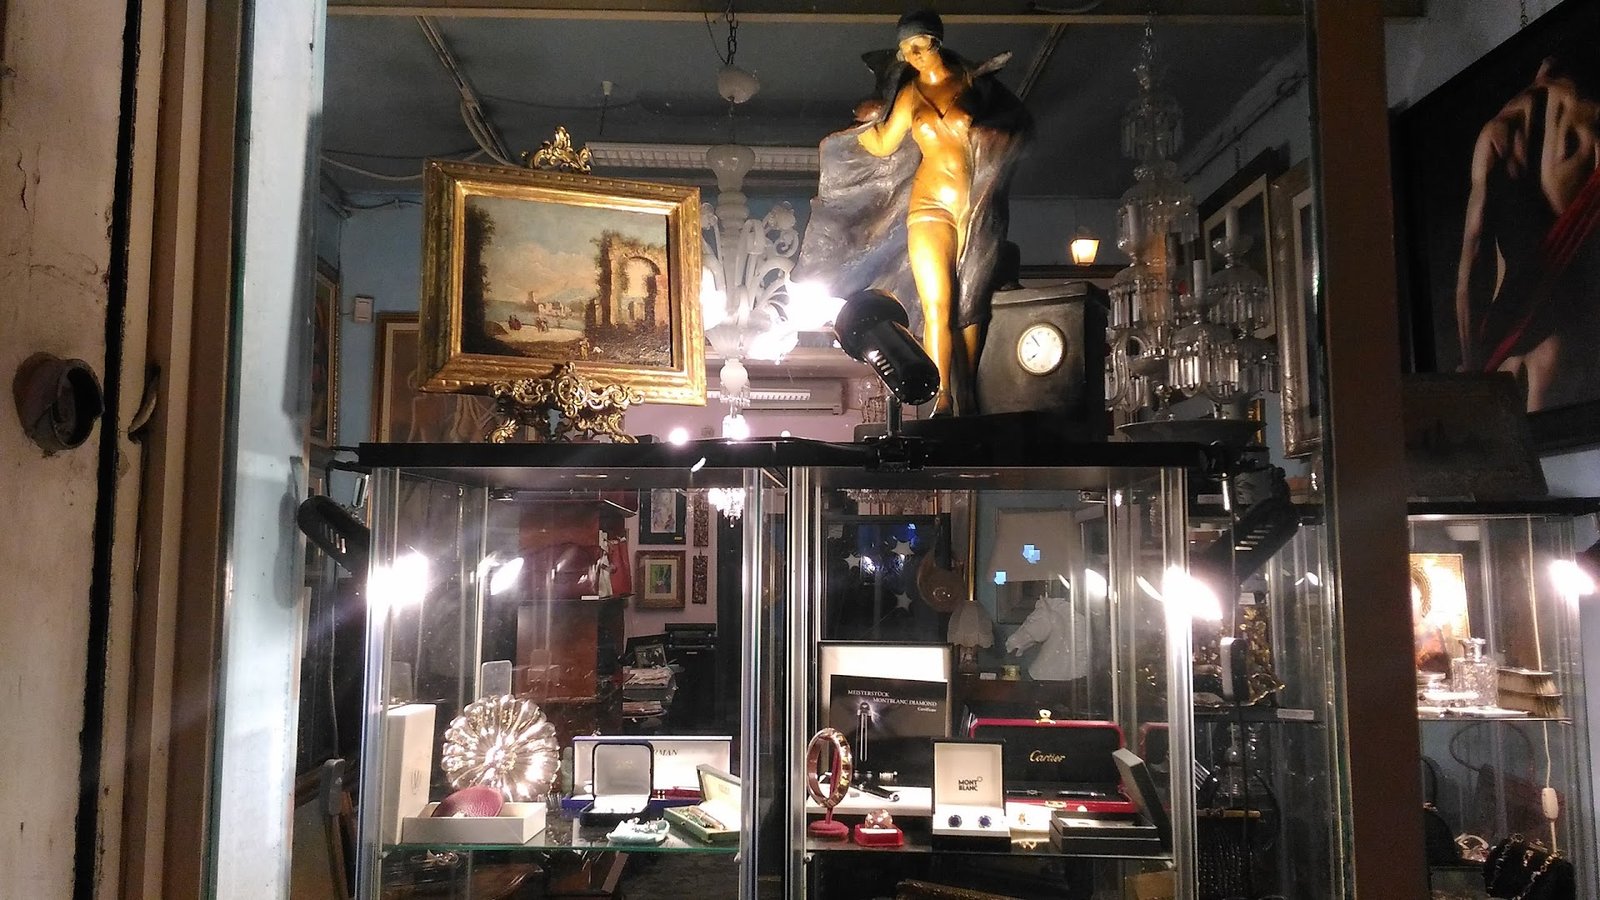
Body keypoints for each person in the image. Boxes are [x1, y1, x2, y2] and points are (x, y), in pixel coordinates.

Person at [796, 10, 1030, 415]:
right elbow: (885, 143)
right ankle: (944, 398)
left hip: (973, 205)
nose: (914, 56)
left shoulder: (972, 84)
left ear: (935, 43)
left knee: (971, 300)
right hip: (928, 205)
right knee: (937, 304)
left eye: (919, 46)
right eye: (907, 51)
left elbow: (1010, 126)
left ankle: (969, 396)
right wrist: (862, 127)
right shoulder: (910, 95)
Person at [1453, 41, 1600, 412]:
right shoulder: (1590, 121)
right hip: (1566, 339)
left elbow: (1474, 252)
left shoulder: (1499, 131)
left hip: (1508, 343)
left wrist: (1472, 364)